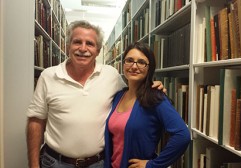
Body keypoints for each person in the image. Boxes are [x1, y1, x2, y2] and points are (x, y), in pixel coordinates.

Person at [26, 20, 165, 168]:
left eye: (90, 44)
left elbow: (133, 94)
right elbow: (36, 121)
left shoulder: (111, 75)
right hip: (55, 163)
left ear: (98, 50)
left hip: (98, 163)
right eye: (77, 42)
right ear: (67, 46)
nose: (83, 48)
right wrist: (33, 165)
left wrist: (151, 87)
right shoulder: (48, 76)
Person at [104, 42, 191, 168]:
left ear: (149, 68)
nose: (134, 66)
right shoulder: (118, 96)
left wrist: (153, 165)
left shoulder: (156, 98)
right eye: (129, 60)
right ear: (123, 64)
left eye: (141, 62)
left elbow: (182, 135)